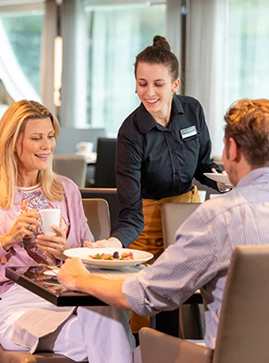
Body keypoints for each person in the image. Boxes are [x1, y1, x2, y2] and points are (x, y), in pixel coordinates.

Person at [57, 98, 269, 352]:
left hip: (237, 356)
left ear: (232, 149)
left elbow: (145, 296)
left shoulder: (219, 216)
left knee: (135, 351)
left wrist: (79, 278)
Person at [0, 100, 135, 363]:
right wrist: (5, 241)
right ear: (14, 143)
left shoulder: (66, 189)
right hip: (19, 306)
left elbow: (92, 261)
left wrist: (67, 251)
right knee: (115, 339)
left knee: (106, 317)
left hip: (71, 296)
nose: (47, 145)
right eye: (37, 138)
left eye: (50, 136)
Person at [87, 35, 224, 333]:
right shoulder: (131, 133)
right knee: (143, 304)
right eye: (142, 83)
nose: (148, 92)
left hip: (187, 217)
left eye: (158, 84)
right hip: (145, 223)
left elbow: (202, 165)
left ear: (175, 84)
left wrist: (223, 179)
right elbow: (131, 211)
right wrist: (114, 243)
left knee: (192, 297)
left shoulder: (193, 111)